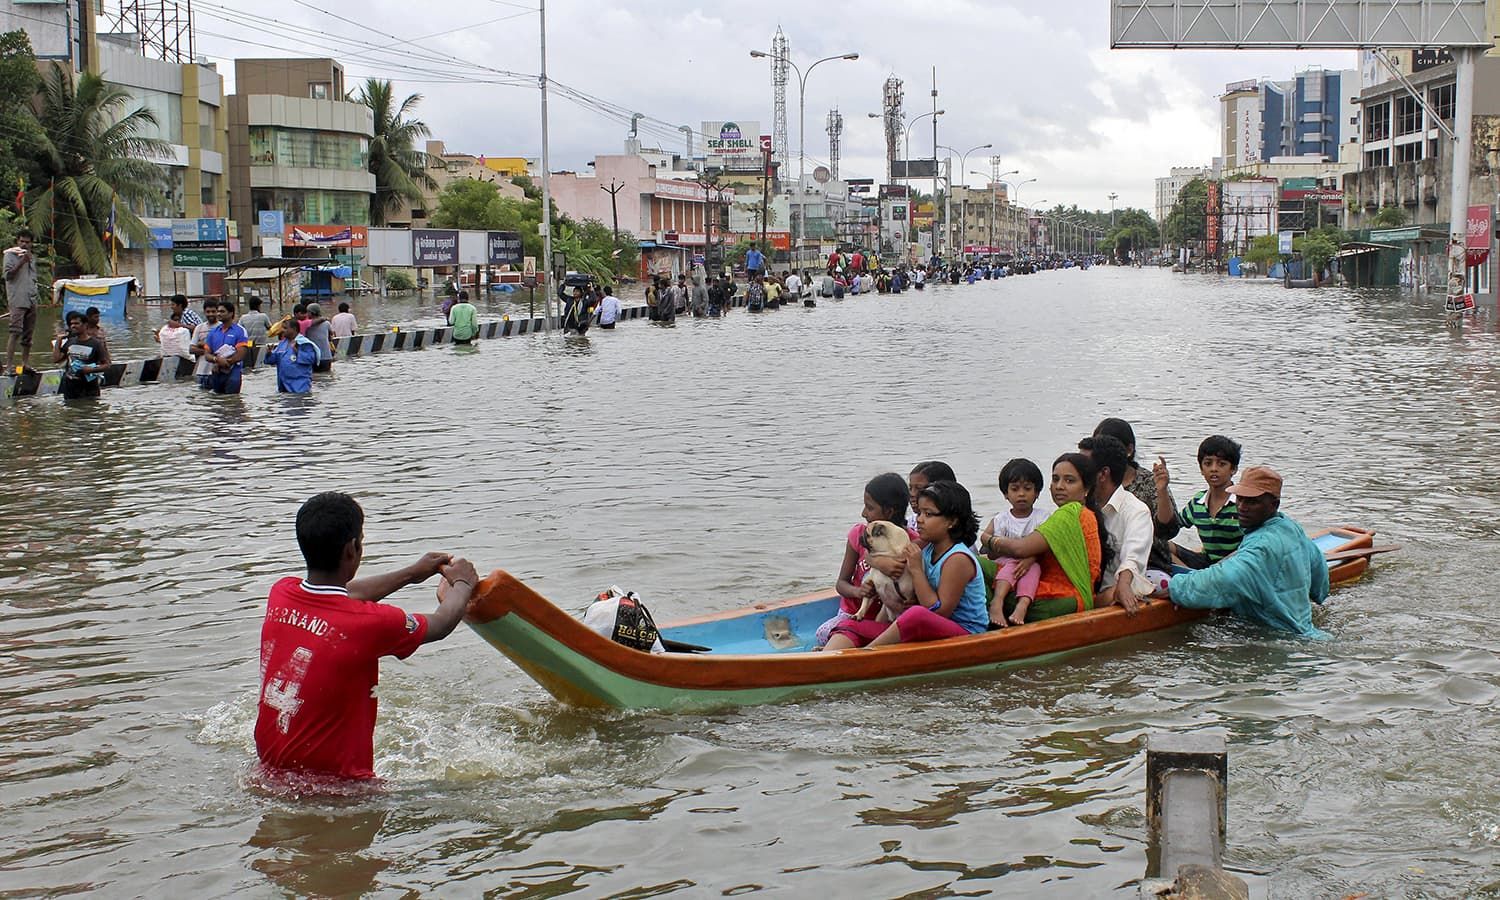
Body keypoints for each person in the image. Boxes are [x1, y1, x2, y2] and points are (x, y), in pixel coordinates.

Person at [254, 492, 479, 780]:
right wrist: (463, 583)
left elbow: (344, 596)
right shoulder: (371, 623)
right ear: (353, 548)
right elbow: (441, 624)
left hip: (268, 773)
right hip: (340, 791)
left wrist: (412, 573)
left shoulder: (281, 593)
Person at [1165, 467, 1330, 638]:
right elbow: (1320, 577)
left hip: (1278, 635)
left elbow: (1225, 579)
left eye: (1252, 502)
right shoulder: (1290, 526)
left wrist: (1174, 587)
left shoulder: (1260, 546)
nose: (1242, 507)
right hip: (1305, 627)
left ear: (1274, 504)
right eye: (1240, 499)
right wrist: (1316, 596)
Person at [824, 480, 989, 649]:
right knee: (849, 625)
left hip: (964, 631)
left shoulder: (958, 559)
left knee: (915, 614)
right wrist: (878, 563)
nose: (920, 520)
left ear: (951, 522)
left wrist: (916, 570)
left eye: (929, 514)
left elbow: (938, 612)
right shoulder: (926, 547)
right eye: (920, 513)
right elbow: (885, 559)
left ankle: (866, 655)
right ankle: (828, 658)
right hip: (924, 624)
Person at [983, 454, 1109, 623]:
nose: (1059, 486)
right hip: (1073, 598)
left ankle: (988, 620)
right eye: (1055, 479)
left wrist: (987, 539)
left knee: (971, 564)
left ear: (1086, 489)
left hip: (1058, 599)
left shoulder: (1069, 513)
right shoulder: (1085, 514)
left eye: (1069, 481)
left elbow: (1020, 549)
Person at [813, 473, 915, 647]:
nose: (863, 513)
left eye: (870, 507)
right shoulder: (859, 535)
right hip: (853, 614)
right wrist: (858, 592)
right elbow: (841, 584)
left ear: (889, 511)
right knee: (823, 633)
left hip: (886, 620)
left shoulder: (911, 544)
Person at [1078, 434, 1156, 616]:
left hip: (1111, 594)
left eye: (1083, 467)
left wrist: (1123, 584)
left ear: (1103, 474)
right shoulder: (1077, 507)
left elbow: (1132, 557)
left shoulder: (1136, 511)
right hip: (1081, 592)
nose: (1077, 472)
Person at [1094, 417, 1173, 574]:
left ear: (1129, 450)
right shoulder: (1092, 482)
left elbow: (1167, 530)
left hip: (1149, 561)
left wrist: (1162, 490)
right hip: (1104, 559)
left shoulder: (1149, 481)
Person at [1153, 434, 1244, 569]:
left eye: (1222, 464)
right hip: (1206, 563)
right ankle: (1191, 576)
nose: (1214, 469)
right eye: (1208, 463)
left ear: (1233, 469)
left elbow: (1254, 542)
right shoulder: (1197, 503)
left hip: (1237, 564)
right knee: (1153, 542)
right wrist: (1162, 489)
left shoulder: (1241, 503)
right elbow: (1170, 527)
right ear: (1201, 469)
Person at [979, 458, 1048, 627]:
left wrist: (1030, 559)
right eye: (1015, 489)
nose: (1021, 494)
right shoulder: (1001, 519)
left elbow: (1047, 546)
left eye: (1028, 489)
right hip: (1004, 561)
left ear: (1037, 492)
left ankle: (1022, 606)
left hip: (1031, 562)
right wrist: (995, 543)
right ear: (1005, 493)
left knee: (1034, 568)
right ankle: (998, 602)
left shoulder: (1043, 517)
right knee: (1012, 565)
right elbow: (984, 537)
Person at [51, 310, 110, 399]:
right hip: (70, 386)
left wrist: (91, 369)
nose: (73, 326)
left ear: (85, 325)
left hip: (89, 387)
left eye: (76, 323)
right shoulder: (70, 342)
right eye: (71, 324)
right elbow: (56, 359)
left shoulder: (96, 344)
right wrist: (58, 341)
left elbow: (107, 365)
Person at [4, 229, 37, 373]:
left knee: (28, 336)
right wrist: (22, 262)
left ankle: (25, 364)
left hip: (31, 299)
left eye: (27, 242)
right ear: (17, 241)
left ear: (31, 244)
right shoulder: (10, 255)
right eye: (21, 241)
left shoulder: (32, 257)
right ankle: (9, 367)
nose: (24, 244)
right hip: (17, 299)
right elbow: (8, 276)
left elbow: (33, 279)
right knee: (14, 332)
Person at [204, 300, 250, 395]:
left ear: (231, 313)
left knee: (232, 401)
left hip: (233, 372)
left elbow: (241, 354)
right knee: (217, 402)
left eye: (222, 311)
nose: (219, 314)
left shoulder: (240, 331)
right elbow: (207, 354)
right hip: (217, 371)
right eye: (218, 311)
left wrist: (226, 362)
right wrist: (216, 360)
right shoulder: (213, 332)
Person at [265, 320, 319, 393]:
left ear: (294, 329)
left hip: (300, 385)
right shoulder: (282, 344)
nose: (282, 330)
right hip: (283, 385)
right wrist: (269, 354)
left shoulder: (304, 343)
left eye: (285, 328)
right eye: (282, 328)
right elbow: (273, 360)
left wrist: (297, 351)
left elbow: (311, 359)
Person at [906, 460, 957, 530]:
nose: (912, 494)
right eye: (910, 488)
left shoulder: (956, 528)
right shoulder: (909, 523)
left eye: (919, 488)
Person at [189, 300, 219, 388]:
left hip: (216, 370)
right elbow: (191, 349)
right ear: (204, 312)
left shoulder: (221, 327)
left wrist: (202, 344)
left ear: (217, 312)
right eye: (208, 312)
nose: (211, 314)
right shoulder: (199, 328)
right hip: (201, 371)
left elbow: (222, 349)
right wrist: (208, 351)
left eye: (213, 311)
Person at [303, 303, 333, 372]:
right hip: (326, 357)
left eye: (307, 312)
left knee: (314, 379)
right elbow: (331, 335)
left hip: (313, 358)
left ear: (311, 313)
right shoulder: (326, 323)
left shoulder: (306, 325)